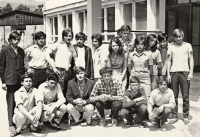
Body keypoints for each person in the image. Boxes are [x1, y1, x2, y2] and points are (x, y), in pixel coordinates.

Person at [0, 31, 25, 134]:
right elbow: (1, 67)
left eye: (18, 39)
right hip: (9, 80)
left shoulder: (21, 51)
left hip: (19, 80)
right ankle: (11, 124)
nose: (17, 41)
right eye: (15, 39)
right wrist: (3, 82)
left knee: (19, 102)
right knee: (11, 103)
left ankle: (19, 122)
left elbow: (23, 66)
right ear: (10, 40)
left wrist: (23, 79)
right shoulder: (5, 50)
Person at [167, 29, 194, 125]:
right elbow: (169, 61)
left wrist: (191, 72)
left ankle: (185, 116)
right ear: (174, 37)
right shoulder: (170, 46)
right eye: (176, 37)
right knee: (174, 96)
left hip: (185, 73)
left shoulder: (188, 45)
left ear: (183, 36)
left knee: (185, 96)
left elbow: (191, 59)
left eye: (180, 36)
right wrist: (168, 74)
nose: (178, 38)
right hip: (174, 72)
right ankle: (174, 116)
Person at [44, 28, 78, 94]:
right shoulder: (59, 44)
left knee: (67, 91)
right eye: (66, 36)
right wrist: (53, 67)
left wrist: (79, 68)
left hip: (68, 72)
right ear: (63, 37)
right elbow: (46, 53)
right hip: (59, 72)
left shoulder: (71, 46)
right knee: (59, 91)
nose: (68, 37)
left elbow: (75, 58)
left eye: (70, 36)